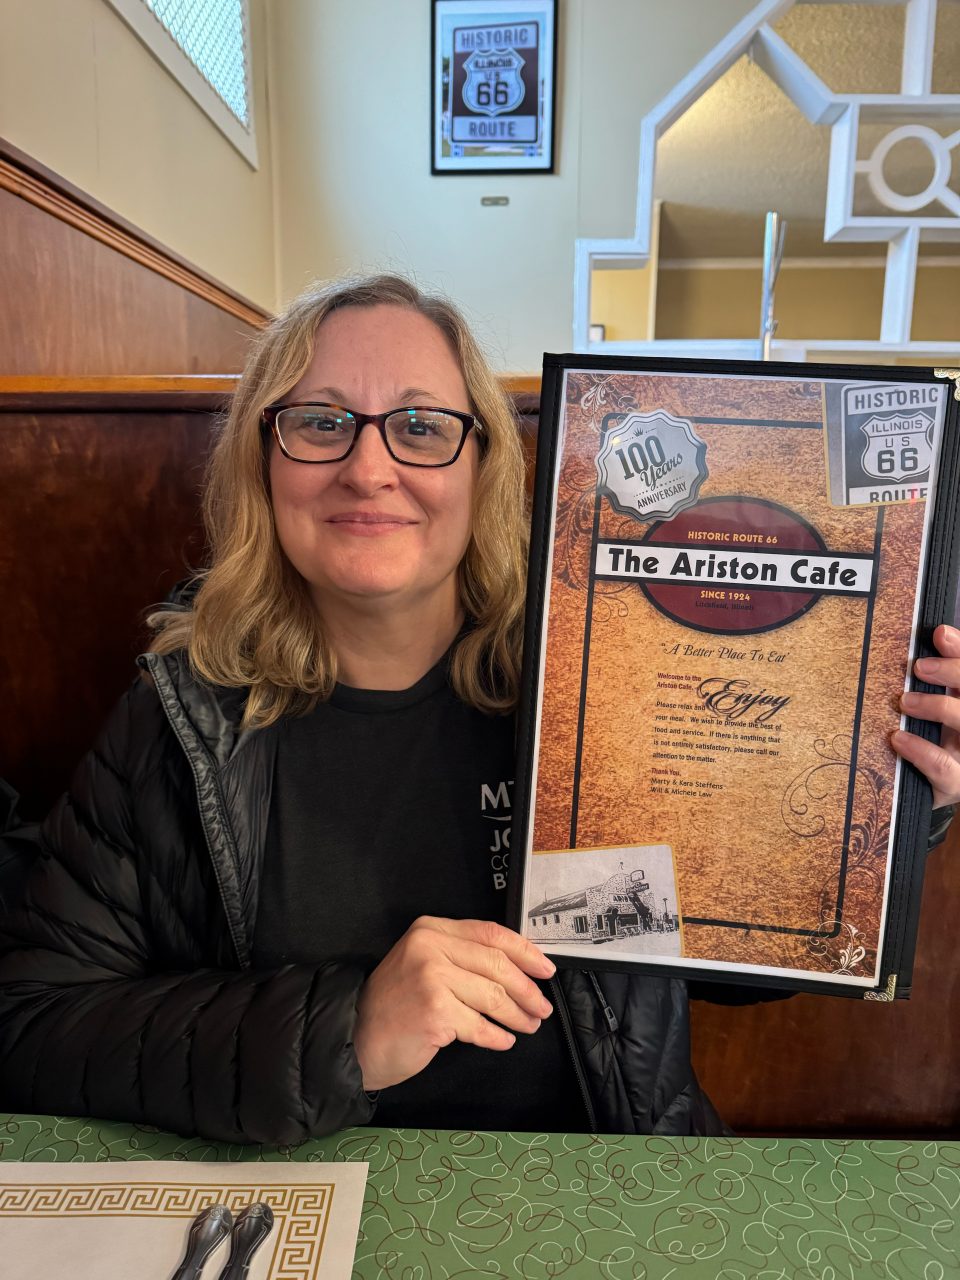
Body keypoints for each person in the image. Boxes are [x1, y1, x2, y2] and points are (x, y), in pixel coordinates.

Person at [0, 275, 957, 1144]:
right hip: (296, 1192)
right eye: (321, 421)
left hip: (600, 1189)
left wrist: (892, 800)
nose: (369, 469)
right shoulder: (185, 712)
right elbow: (34, 1026)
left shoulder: (606, 675)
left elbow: (721, 965)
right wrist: (347, 1029)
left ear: (484, 467)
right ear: (263, 459)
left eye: (421, 426)